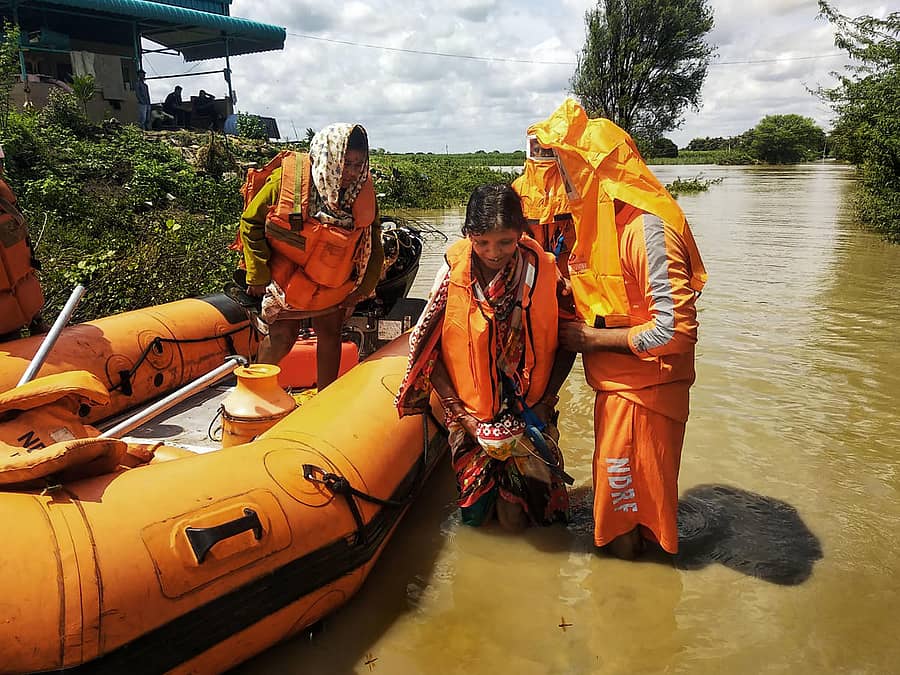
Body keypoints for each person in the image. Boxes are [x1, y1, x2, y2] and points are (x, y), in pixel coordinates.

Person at [522, 99, 707, 559]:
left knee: (623, 515)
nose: (559, 180)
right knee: (631, 507)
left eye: (567, 168)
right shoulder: (602, 225)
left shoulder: (647, 230)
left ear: (594, 171)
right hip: (621, 389)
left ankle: (630, 607)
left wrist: (591, 340)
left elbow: (675, 331)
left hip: (645, 393)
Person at [396, 184, 573, 531]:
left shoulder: (546, 274)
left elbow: (567, 342)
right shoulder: (450, 277)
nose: (494, 253)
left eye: (506, 242)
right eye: (482, 243)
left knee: (525, 517)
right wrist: (463, 417)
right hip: (468, 412)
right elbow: (428, 354)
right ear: (467, 235)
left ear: (522, 233)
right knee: (477, 515)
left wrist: (545, 402)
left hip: (532, 409)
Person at [238, 123, 384, 389]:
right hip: (287, 275)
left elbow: (372, 242)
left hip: (331, 278)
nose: (351, 173)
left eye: (358, 164)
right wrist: (257, 273)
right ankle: (254, 393)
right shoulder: (283, 183)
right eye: (345, 163)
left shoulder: (361, 191)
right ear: (329, 158)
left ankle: (324, 398)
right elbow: (250, 224)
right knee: (283, 335)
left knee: (330, 333)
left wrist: (363, 288)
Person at [0, 143, 45, 339]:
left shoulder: (5, 198)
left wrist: (36, 319)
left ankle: (33, 319)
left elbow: (20, 255)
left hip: (16, 312)